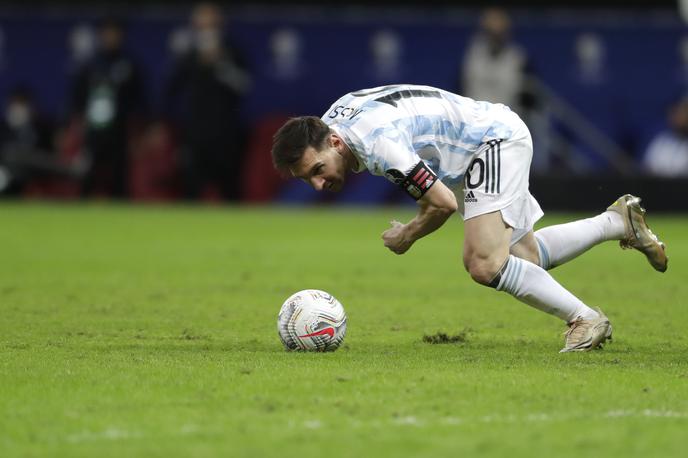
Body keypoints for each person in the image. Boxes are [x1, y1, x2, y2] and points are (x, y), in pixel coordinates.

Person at [271, 84, 668, 353]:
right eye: (308, 178)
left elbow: (441, 203)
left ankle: (585, 320)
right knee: (524, 259)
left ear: (335, 143)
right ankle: (617, 222)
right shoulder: (331, 127)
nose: (319, 185)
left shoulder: (377, 145)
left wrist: (408, 234)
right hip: (470, 147)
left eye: (318, 170)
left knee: (483, 262)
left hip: (490, 141)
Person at [163, 2, 251, 201]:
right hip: (195, 133)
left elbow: (243, 86)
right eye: (202, 25)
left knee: (230, 189)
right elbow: (171, 90)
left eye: (211, 24)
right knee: (192, 188)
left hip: (226, 132)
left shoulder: (232, 52)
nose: (207, 30)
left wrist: (220, 64)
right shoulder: (189, 56)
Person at [69, 17, 146, 199]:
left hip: (119, 129)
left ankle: (122, 220)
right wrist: (74, 122)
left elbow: (140, 99)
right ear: (101, 35)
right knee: (86, 174)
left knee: (120, 176)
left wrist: (140, 129)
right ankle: (80, 213)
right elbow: (77, 97)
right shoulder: (91, 64)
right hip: (92, 130)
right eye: (107, 32)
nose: (111, 36)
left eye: (115, 32)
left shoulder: (129, 64)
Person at [642, 97, 688, 177]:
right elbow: (648, 170)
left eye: (684, 113)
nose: (679, 118)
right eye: (676, 113)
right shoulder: (660, 141)